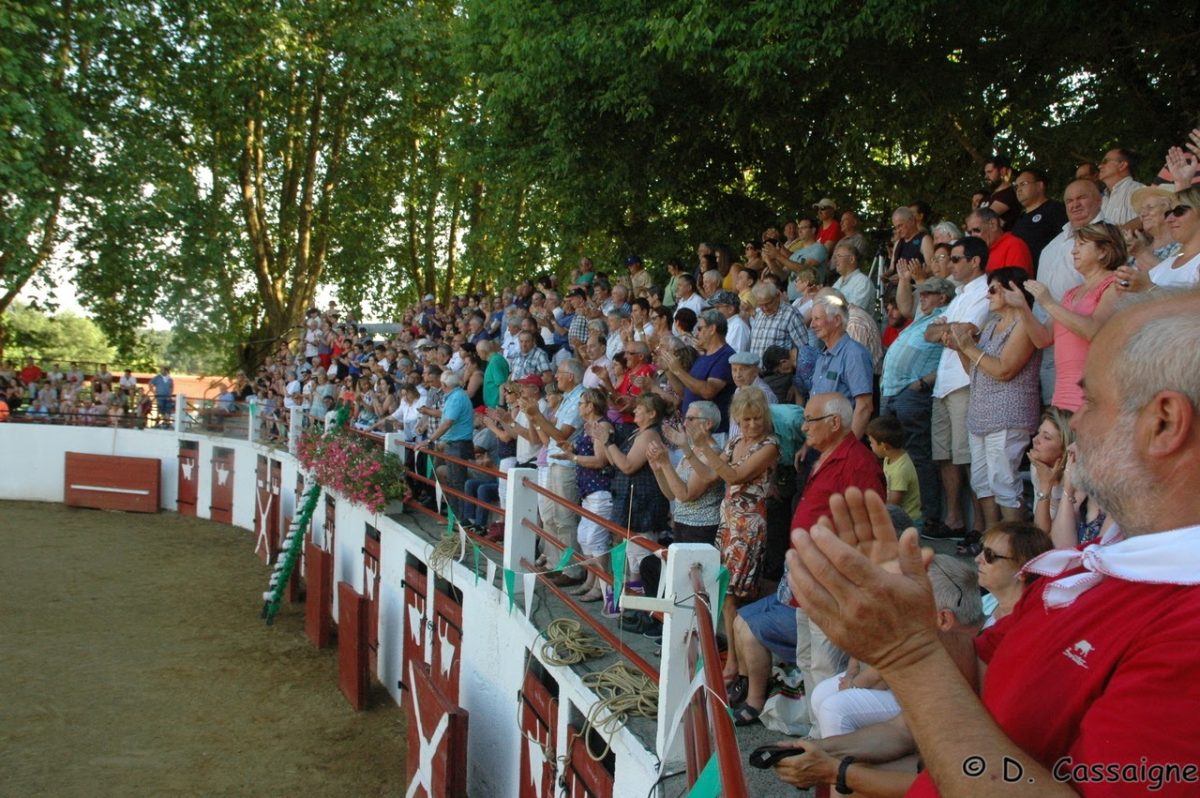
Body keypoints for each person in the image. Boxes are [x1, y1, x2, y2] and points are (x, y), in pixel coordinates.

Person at [783, 289, 1200, 797]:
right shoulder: (1092, 570)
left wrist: (907, 652)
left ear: (1164, 423)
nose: (1075, 424)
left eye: (1089, 401)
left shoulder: (1187, 630)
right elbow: (980, 673)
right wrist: (909, 618)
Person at [808, 555, 983, 740]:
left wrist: (854, 685)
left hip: (930, 700)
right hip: (907, 685)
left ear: (944, 619)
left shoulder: (973, 640)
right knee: (821, 693)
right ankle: (834, 750)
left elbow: (887, 670)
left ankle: (840, 757)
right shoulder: (944, 623)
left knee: (836, 709)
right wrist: (852, 677)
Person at [683, 387, 779, 700]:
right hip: (728, 523)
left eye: (757, 418)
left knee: (734, 595)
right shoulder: (736, 442)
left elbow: (734, 476)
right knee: (726, 593)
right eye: (746, 419)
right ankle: (736, 663)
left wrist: (703, 446)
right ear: (737, 418)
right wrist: (688, 450)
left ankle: (738, 666)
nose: (752, 424)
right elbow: (711, 475)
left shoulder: (770, 445)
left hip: (748, 527)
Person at [945, 267, 1042, 532]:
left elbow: (1004, 370)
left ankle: (1013, 545)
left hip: (1008, 414)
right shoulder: (990, 326)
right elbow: (975, 370)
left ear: (1013, 291)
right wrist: (960, 348)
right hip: (981, 415)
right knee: (982, 483)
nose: (987, 295)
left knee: (1004, 483)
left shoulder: (1024, 325)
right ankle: (991, 539)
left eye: (993, 289)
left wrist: (968, 346)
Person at [925, 237, 991, 541]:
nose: (949, 264)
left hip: (965, 381)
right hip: (944, 383)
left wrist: (947, 329)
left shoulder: (985, 291)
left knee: (967, 457)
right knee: (945, 456)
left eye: (955, 259)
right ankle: (954, 520)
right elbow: (929, 333)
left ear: (975, 261)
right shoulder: (960, 294)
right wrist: (947, 330)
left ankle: (979, 525)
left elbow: (966, 332)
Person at [1022, 222, 1125, 412]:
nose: (1073, 251)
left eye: (1081, 245)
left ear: (1103, 251)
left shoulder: (1114, 284)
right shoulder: (1071, 293)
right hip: (1062, 390)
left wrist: (1049, 303)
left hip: (1093, 391)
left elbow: (1095, 331)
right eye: (1075, 245)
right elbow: (1043, 339)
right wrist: (1021, 308)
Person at [522, 360, 586, 584]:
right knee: (549, 517)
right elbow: (551, 435)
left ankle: (571, 571)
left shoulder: (580, 397)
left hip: (566, 465)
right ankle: (554, 564)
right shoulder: (569, 397)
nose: (555, 376)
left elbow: (561, 436)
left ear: (571, 376)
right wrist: (534, 416)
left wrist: (536, 416)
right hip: (552, 462)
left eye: (559, 373)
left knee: (565, 519)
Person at [550, 388, 615, 603]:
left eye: (581, 403)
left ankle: (602, 586)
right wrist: (573, 448)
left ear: (591, 406)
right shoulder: (590, 426)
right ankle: (590, 580)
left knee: (595, 540)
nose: (578, 407)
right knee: (585, 538)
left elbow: (600, 460)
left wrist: (573, 457)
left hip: (600, 490)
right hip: (589, 490)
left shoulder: (602, 426)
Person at [808, 294, 873, 438]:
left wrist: (848, 447)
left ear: (837, 320)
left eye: (817, 319)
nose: (812, 325)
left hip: (840, 441)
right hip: (820, 441)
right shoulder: (822, 357)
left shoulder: (854, 354)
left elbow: (864, 406)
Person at [1116, 186, 1200, 291]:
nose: (1169, 219)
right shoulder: (1169, 262)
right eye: (1168, 213)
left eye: (1179, 211)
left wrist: (1149, 287)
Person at [975, 521, 1053, 625]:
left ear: (1023, 571)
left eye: (989, 555)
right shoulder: (984, 602)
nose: (977, 559)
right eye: (981, 550)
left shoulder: (1030, 623)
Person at [425, 371, 474, 520]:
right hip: (454, 444)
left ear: (444, 385)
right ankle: (456, 517)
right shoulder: (456, 396)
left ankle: (458, 519)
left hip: (457, 445)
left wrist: (430, 440)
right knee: (453, 481)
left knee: (456, 483)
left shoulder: (456, 397)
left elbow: (448, 423)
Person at [867, 416, 922, 529]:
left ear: (884, 446)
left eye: (872, 443)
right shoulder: (890, 458)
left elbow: (894, 504)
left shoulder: (901, 470)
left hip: (906, 523)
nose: (870, 446)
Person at [830, 241, 877, 311]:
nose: (835, 260)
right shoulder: (838, 282)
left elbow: (856, 312)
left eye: (839, 256)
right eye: (835, 257)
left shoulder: (863, 282)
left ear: (852, 259)